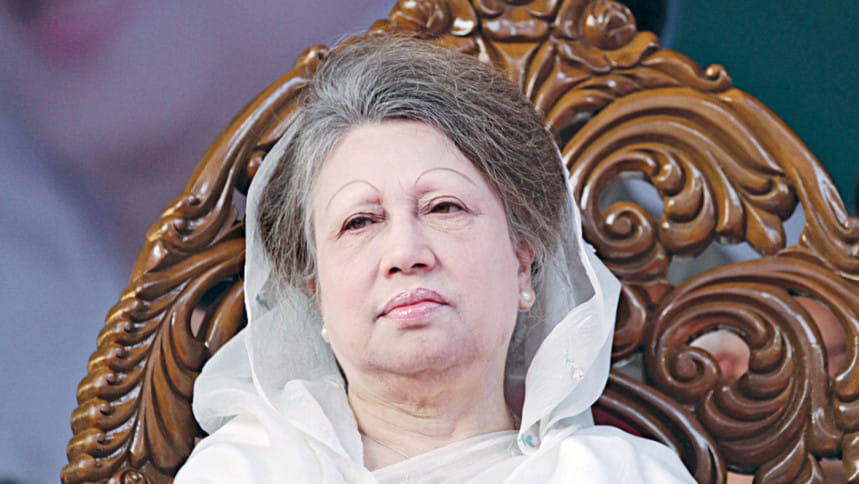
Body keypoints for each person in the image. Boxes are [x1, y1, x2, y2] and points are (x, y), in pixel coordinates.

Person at [174, 35, 695, 483]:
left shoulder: (619, 473)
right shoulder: (244, 471)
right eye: (360, 222)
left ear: (521, 260)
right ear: (315, 292)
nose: (406, 253)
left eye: (445, 208)